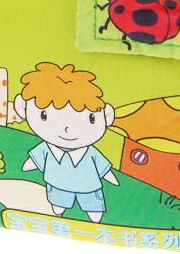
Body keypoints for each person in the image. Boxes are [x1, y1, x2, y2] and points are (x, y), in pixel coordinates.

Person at [14, 62, 119, 222]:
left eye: (91, 118)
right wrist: (30, 163)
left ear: (106, 116)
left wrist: (110, 176)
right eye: (44, 115)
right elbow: (36, 158)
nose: (68, 129)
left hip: (88, 185)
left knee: (93, 205)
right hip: (57, 182)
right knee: (58, 201)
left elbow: (102, 166)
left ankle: (94, 217)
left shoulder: (89, 153)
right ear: (22, 107)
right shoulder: (48, 149)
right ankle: (59, 209)